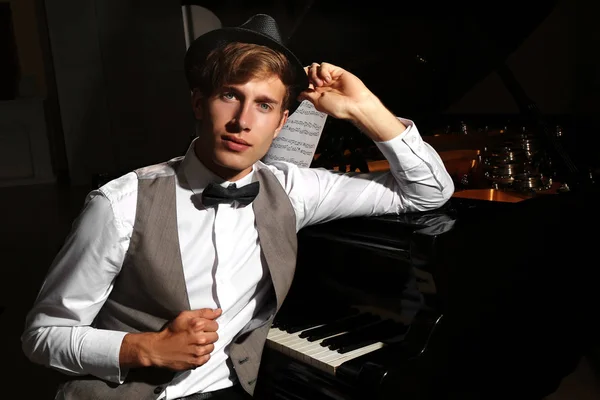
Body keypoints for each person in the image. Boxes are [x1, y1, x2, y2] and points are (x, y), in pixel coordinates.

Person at [21, 13, 454, 400]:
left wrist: (364, 108)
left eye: (264, 105)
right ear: (198, 102)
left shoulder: (292, 190)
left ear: (282, 121)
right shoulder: (119, 205)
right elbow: (42, 336)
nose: (243, 121)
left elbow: (428, 191)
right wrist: (144, 348)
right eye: (230, 96)